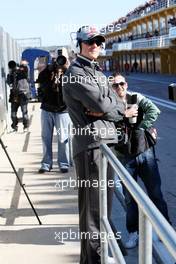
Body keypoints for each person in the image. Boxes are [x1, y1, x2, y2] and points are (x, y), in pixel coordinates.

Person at [63, 26, 122, 264]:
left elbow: (115, 106)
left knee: (101, 210)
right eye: (90, 42)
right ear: (79, 44)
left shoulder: (95, 71)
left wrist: (111, 106)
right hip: (91, 148)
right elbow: (107, 105)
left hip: (103, 145)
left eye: (98, 42)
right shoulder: (76, 73)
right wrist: (111, 106)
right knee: (94, 214)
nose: (95, 45)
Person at [112, 74, 171, 249]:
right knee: (130, 198)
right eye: (115, 85)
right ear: (111, 88)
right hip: (123, 156)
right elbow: (105, 121)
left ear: (126, 84)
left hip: (145, 153)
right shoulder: (110, 104)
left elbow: (154, 111)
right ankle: (134, 233)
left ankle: (164, 230)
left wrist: (141, 127)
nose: (119, 87)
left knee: (155, 194)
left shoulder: (137, 97)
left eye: (121, 84)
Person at [37, 56, 71, 173]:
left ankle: (64, 163)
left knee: (63, 138)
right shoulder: (47, 72)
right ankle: (46, 164)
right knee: (46, 137)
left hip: (63, 110)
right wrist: (48, 68)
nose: (59, 63)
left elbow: (76, 83)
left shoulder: (69, 73)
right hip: (47, 109)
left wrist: (67, 68)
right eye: (57, 60)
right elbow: (40, 82)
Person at [7, 61, 30, 132]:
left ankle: (25, 126)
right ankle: (14, 126)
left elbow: (26, 69)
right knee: (13, 114)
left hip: (23, 94)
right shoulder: (10, 75)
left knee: (24, 113)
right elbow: (9, 82)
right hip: (14, 96)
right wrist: (12, 74)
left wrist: (22, 66)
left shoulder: (23, 73)